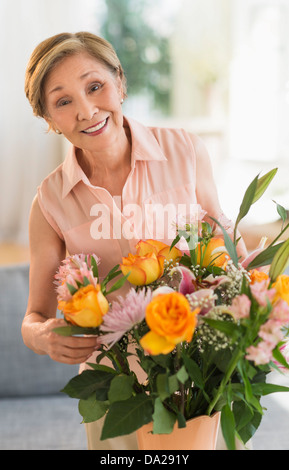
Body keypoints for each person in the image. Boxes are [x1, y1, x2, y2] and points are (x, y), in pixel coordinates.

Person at [22, 31, 247, 450]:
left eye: (95, 86)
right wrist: (42, 336)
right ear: (49, 119)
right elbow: (33, 315)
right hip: (116, 387)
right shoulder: (49, 202)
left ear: (120, 82)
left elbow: (229, 252)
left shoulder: (185, 151)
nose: (87, 110)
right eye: (63, 101)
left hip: (204, 376)